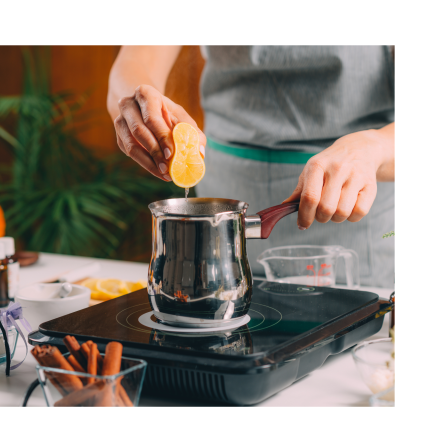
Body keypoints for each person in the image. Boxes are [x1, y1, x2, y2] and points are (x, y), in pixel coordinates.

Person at [107, 46, 394, 287]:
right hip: (225, 192)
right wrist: (139, 102)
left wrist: (375, 146)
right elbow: (136, 61)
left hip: (352, 231)